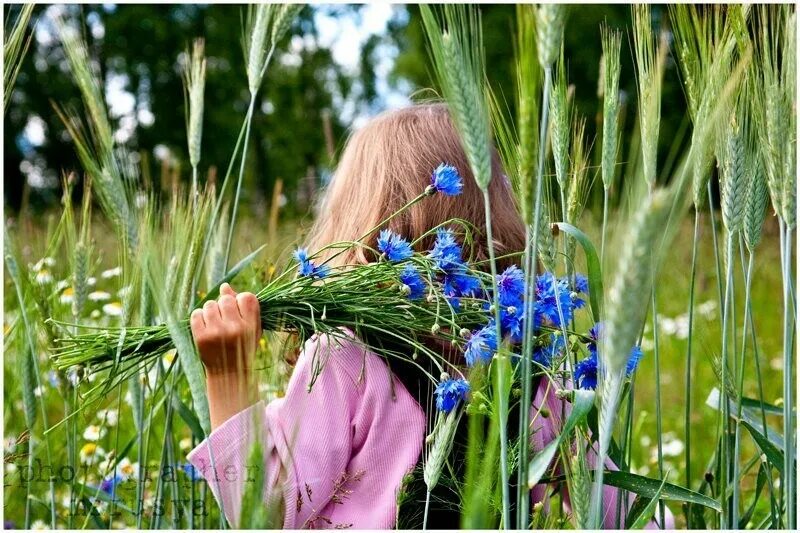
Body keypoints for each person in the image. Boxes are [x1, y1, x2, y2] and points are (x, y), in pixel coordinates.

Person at [187, 103, 674, 529]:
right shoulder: (536, 368)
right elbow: (623, 514)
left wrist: (228, 378)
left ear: (358, 221)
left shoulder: (346, 356)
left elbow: (270, 513)